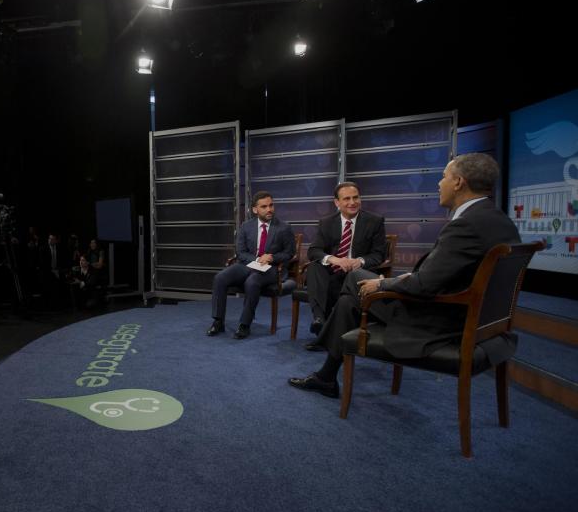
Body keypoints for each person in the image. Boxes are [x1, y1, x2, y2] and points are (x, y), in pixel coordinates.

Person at [288, 153, 522, 398]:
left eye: (443, 177)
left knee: (354, 279)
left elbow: (423, 285)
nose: (438, 184)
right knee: (347, 299)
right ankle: (326, 376)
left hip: (438, 320)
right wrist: (403, 278)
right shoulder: (499, 220)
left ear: (458, 182)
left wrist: (383, 283)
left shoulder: (466, 225)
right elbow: (445, 272)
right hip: (476, 317)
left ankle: (323, 351)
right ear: (337, 202)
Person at [303, 182, 386, 350]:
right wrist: (334, 259)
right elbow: (314, 250)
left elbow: (379, 255)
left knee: (334, 280)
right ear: (337, 203)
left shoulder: (374, 221)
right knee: (314, 267)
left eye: (355, 197)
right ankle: (319, 320)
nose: (352, 202)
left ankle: (324, 334)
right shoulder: (326, 222)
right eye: (346, 198)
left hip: (357, 275)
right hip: (333, 272)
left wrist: (360, 261)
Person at [207, 191, 296, 339]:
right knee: (220, 277)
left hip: (271, 269)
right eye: (264, 206)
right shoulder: (246, 226)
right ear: (255, 210)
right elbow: (240, 252)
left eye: (271, 205)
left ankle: (244, 324)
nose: (269, 209)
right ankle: (218, 321)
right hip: (247, 264)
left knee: (252, 281)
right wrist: (257, 259)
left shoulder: (283, 228)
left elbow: (289, 253)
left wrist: (272, 257)